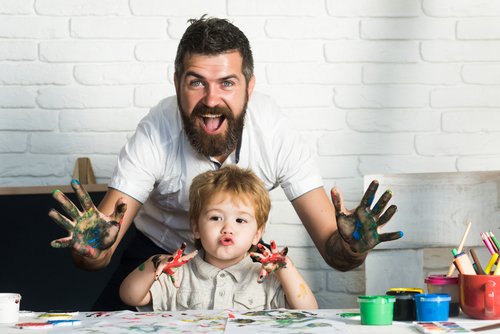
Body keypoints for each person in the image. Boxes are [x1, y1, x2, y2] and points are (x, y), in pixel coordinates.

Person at [49, 15, 403, 311]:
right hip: (159, 257)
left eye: (227, 83)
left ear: (249, 87)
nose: (211, 99)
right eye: (196, 83)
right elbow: (97, 251)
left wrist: (353, 248)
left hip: (240, 256)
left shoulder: (275, 132)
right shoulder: (156, 131)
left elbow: (336, 253)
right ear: (177, 84)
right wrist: (92, 249)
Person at [119, 165, 318, 311]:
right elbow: (130, 296)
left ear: (257, 233)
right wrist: (155, 263)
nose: (227, 228)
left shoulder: (266, 277)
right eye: (216, 218)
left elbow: (308, 310)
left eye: (240, 220)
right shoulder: (178, 274)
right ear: (196, 227)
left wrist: (286, 268)